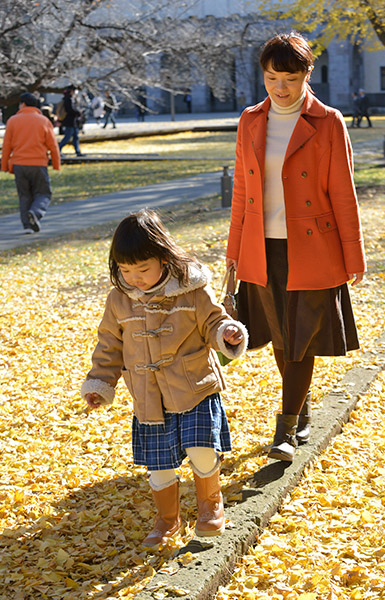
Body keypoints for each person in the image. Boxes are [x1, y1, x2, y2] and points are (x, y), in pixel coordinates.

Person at [226, 32, 366, 463]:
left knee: (301, 339)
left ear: (307, 74)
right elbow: (241, 191)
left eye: (289, 78)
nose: (280, 87)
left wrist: (354, 253)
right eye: (272, 78)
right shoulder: (251, 120)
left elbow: (342, 193)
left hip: (313, 247)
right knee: (282, 339)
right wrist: (233, 252)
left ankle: (285, 430)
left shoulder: (329, 122)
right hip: (261, 245)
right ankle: (300, 413)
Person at [81, 209, 248, 547]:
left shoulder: (191, 290)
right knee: (159, 465)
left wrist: (227, 332)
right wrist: (100, 383)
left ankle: (210, 505)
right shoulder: (119, 300)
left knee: (202, 448)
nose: (135, 278)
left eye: (143, 269)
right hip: (149, 396)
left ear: (164, 258)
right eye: (126, 270)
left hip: (194, 387)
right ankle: (168, 519)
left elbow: (214, 322)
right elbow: (109, 345)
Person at [1, 92, 61, 233]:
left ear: (23, 104)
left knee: (24, 195)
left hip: (19, 164)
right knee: (44, 193)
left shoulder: (12, 121)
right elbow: (53, 145)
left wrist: (4, 165)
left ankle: (27, 226)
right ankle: (36, 212)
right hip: (38, 163)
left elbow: (7, 146)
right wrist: (56, 164)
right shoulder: (44, 121)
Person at [58, 85, 83, 156]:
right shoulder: (68, 99)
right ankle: (58, 150)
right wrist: (78, 112)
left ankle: (78, 151)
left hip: (73, 121)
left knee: (75, 137)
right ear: (71, 91)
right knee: (68, 137)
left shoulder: (70, 99)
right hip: (70, 121)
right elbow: (70, 110)